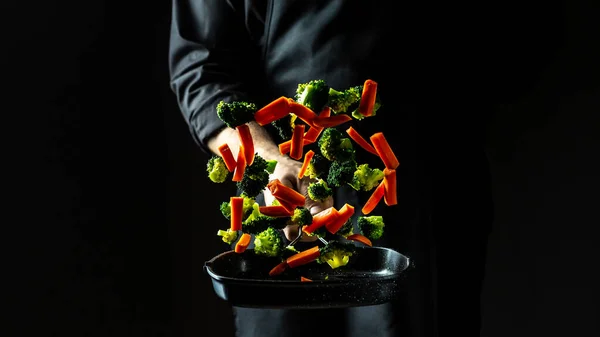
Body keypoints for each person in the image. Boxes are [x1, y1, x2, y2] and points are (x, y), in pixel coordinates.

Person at [165, 0, 545, 335]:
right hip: (285, 205)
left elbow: (516, 50)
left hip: (425, 193)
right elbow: (202, 66)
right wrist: (271, 162)